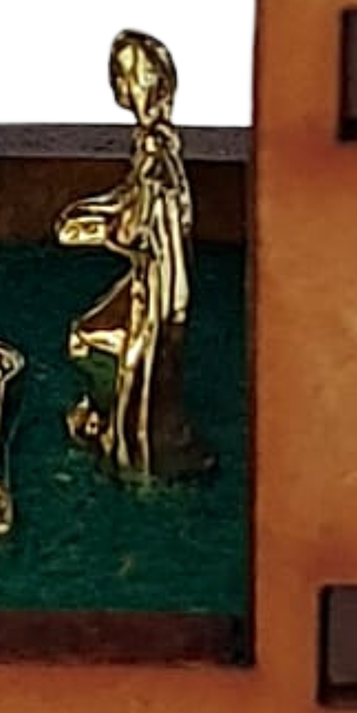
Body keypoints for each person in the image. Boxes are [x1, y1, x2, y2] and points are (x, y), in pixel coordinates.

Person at [55, 29, 214, 481]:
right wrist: (90, 213)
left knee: (103, 347)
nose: (128, 89)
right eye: (121, 78)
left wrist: (96, 230)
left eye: (137, 77)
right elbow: (129, 200)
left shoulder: (157, 154)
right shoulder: (151, 146)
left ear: (160, 84)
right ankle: (107, 420)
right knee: (95, 342)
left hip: (161, 284)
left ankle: (126, 439)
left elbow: (139, 227)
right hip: (152, 277)